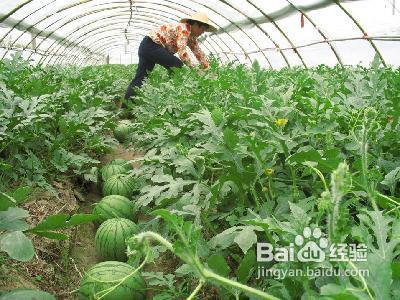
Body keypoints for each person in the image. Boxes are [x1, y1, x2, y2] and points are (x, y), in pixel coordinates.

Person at [123, 12, 217, 102]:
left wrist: (207, 69)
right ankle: (174, 94)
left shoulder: (191, 37)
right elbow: (182, 53)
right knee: (178, 66)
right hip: (152, 45)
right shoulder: (184, 29)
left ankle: (125, 109)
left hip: (146, 46)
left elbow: (199, 53)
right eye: (203, 29)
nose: (203, 32)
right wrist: (195, 69)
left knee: (141, 78)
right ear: (195, 24)